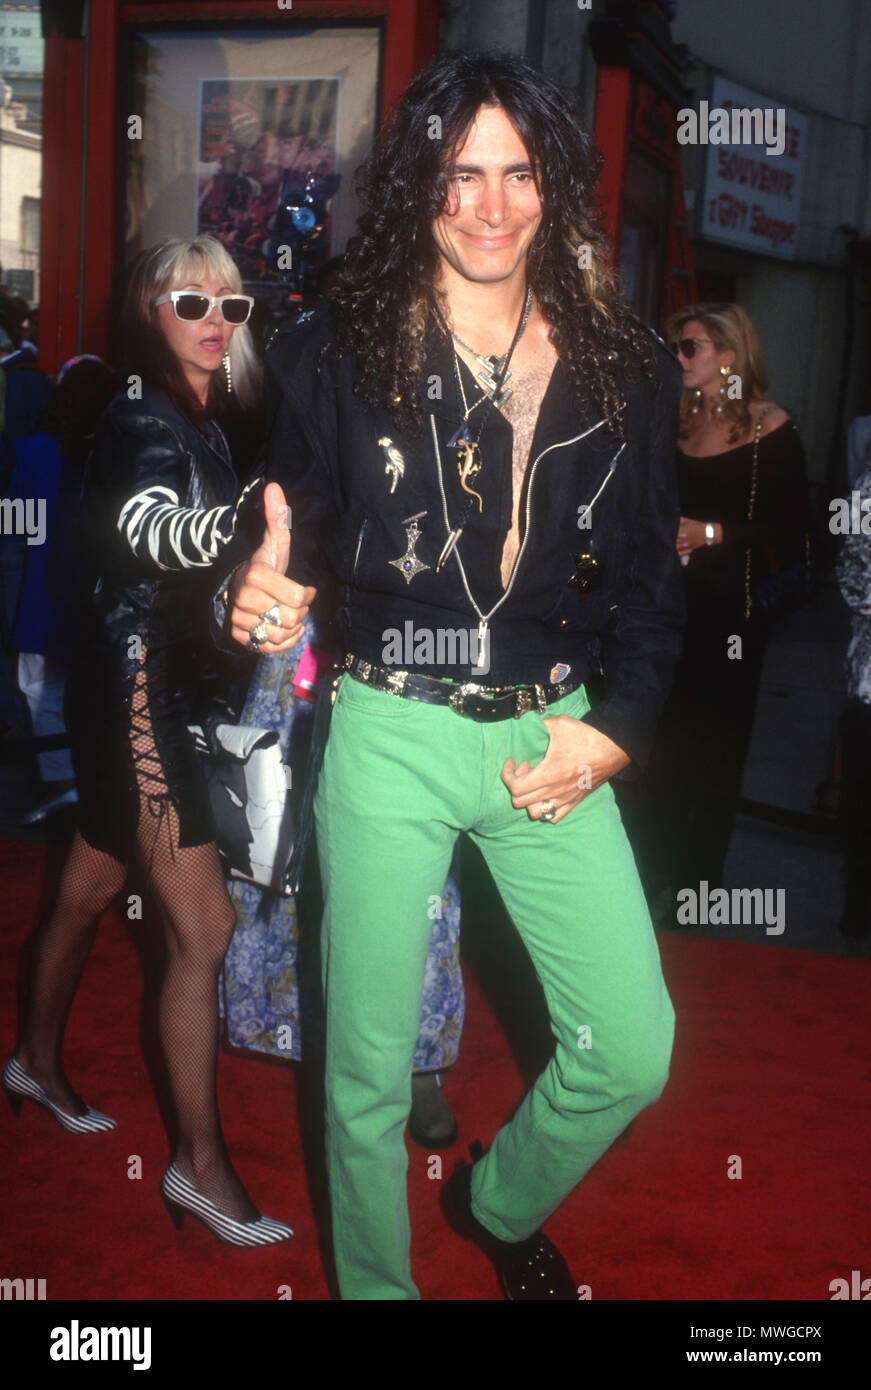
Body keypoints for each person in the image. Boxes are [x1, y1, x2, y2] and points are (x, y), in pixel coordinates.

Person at [215, 51, 684, 1300]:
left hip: (553, 738)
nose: (488, 202)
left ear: (554, 189)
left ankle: (493, 1196)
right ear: (420, 182)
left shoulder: (629, 364)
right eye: (459, 170)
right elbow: (289, 539)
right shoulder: (330, 351)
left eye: (518, 172)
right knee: (365, 1074)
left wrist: (618, 726)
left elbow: (649, 579)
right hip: (389, 729)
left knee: (629, 1051)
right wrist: (254, 598)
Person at [3, 235, 293, 1247]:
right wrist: (254, 533)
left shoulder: (195, 414)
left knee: (86, 888)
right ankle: (198, 1169)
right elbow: (148, 527)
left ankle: (33, 1060)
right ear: (148, 309)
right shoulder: (142, 416)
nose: (215, 320)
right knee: (203, 931)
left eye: (231, 305)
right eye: (190, 301)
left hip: (134, 687)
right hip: (137, 694)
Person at [220, 607, 464, 1149]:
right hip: (298, 654)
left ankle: (419, 1064)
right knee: (277, 847)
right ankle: (309, 1035)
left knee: (416, 876)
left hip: (405, 652)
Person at [619, 302, 811, 911]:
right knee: (657, 740)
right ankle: (648, 871)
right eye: (676, 346)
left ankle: (696, 885)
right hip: (663, 604)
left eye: (691, 347)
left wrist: (715, 534)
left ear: (728, 355)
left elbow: (798, 533)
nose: (679, 358)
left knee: (714, 748)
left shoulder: (770, 429)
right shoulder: (671, 423)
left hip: (731, 612)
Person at [11, 356, 116, 823]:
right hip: (100, 592)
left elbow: (16, 523)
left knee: (39, 690)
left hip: (41, 588)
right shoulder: (119, 448)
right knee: (92, 693)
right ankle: (92, 781)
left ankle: (64, 784)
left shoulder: (33, 449)